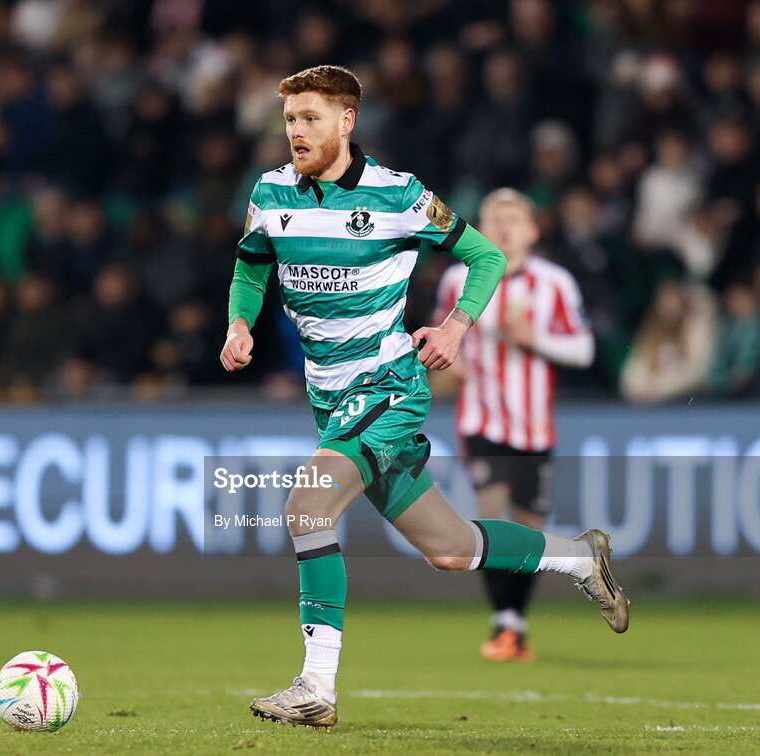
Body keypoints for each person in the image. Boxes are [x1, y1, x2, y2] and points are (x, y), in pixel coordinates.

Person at [220, 66, 628, 730]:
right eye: (290, 119)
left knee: (306, 507)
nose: (296, 131)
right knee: (449, 548)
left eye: (310, 118)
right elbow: (251, 262)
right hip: (329, 398)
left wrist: (456, 327)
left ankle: (316, 687)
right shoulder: (269, 193)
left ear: (347, 121)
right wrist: (239, 322)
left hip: (387, 387)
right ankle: (581, 557)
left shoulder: (401, 196)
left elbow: (487, 257)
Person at [435, 188, 595, 663]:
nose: (504, 227)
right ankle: (506, 622)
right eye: (494, 219)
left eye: (513, 219)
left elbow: (583, 350)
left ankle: (514, 624)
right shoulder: (457, 278)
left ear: (532, 230)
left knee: (528, 528)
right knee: (493, 513)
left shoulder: (555, 283)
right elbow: (444, 341)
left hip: (535, 426)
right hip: (482, 418)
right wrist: (450, 362)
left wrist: (534, 338)